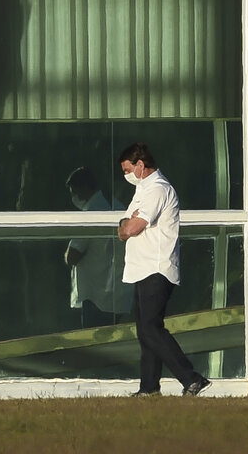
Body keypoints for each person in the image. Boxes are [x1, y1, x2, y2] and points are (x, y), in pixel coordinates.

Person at [117, 142, 211, 397]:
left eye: (127, 169)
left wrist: (127, 225)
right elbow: (122, 228)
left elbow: (132, 228)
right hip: (142, 268)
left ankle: (191, 378)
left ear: (140, 164)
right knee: (146, 330)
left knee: (150, 328)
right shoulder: (143, 190)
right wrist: (126, 225)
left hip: (155, 268)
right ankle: (149, 387)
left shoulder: (157, 189)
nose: (126, 175)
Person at [64, 167, 131, 328]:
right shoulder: (118, 207)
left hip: (95, 299)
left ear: (85, 188)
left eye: (75, 192)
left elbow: (72, 256)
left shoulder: (90, 214)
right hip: (120, 296)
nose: (74, 197)